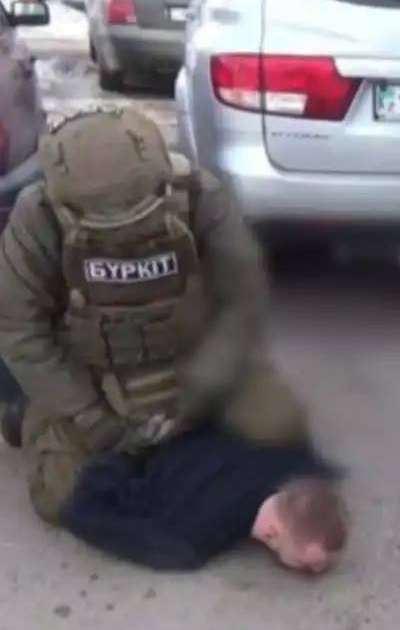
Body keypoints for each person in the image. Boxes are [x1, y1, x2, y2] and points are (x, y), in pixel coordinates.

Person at [0, 109, 308, 524]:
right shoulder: (36, 217)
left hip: (188, 363)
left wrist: (202, 390)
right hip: (89, 374)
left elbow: (243, 297)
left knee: (282, 437)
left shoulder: (199, 195)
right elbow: (20, 327)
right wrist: (90, 416)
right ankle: (27, 413)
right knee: (65, 498)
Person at [60, 424, 347, 572]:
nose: (319, 570)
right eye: (308, 564)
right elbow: (86, 515)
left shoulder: (286, 457)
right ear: (272, 532)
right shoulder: (190, 539)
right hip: (122, 443)